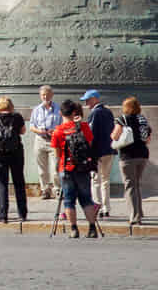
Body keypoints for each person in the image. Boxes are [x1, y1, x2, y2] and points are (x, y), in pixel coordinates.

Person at [50, 99, 101, 237]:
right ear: (74, 112)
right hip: (83, 168)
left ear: (60, 113)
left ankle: (74, 229)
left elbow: (57, 154)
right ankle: (92, 228)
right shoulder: (83, 127)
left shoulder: (58, 131)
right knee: (86, 199)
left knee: (69, 200)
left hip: (66, 168)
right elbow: (89, 144)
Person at [0, 95, 28, 222]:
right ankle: (22, 214)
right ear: (11, 106)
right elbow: (23, 131)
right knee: (19, 183)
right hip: (16, 153)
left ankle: (3, 215)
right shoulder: (17, 117)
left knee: (2, 184)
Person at [114, 96, 150, 225]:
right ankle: (139, 212)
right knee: (136, 184)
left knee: (129, 185)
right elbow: (147, 139)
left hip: (128, 156)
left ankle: (134, 216)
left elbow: (115, 135)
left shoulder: (122, 119)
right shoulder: (143, 120)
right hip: (143, 155)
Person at [82, 90, 117, 212]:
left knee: (96, 180)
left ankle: (97, 206)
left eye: (87, 100)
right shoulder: (108, 112)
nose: (86, 103)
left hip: (97, 152)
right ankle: (106, 207)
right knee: (106, 180)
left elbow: (90, 135)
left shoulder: (94, 113)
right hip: (109, 150)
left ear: (94, 99)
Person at [28, 84, 60, 201]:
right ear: (40, 96)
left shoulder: (58, 109)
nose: (45, 97)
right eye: (43, 95)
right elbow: (31, 126)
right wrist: (40, 131)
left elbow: (62, 125)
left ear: (52, 95)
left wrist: (55, 131)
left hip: (54, 140)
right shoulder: (36, 110)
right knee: (42, 169)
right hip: (40, 140)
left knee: (55, 167)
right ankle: (45, 190)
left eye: (47, 94)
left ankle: (57, 189)